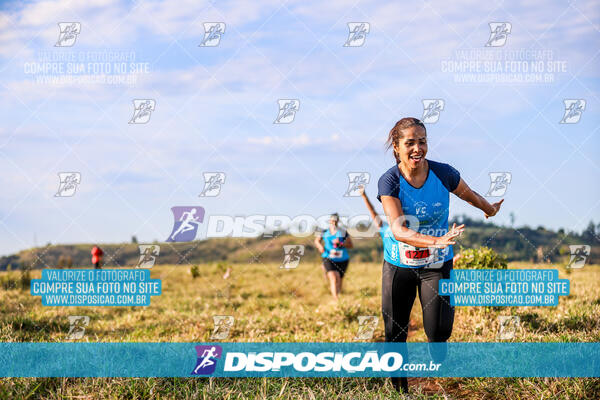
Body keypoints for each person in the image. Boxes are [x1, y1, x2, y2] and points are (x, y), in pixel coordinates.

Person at [376, 117, 504, 393]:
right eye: (409, 143)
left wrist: (489, 209)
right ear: (397, 147)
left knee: (438, 333)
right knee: (394, 333)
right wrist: (436, 240)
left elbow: (468, 194)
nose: (417, 148)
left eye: (422, 141)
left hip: (436, 264)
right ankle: (400, 392)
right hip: (399, 264)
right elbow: (398, 229)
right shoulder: (389, 180)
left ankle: (437, 351)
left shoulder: (443, 173)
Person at [314, 213, 354, 300]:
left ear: (338, 221)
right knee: (334, 277)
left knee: (339, 279)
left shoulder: (343, 232)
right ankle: (336, 300)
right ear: (329, 221)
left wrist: (341, 243)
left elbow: (351, 245)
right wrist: (320, 247)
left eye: (335, 220)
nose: (334, 222)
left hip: (342, 259)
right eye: (332, 220)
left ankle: (339, 298)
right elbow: (317, 241)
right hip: (328, 258)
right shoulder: (324, 232)